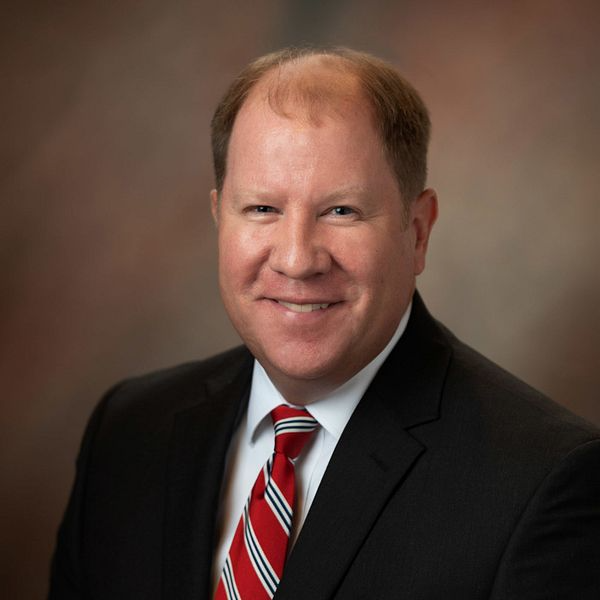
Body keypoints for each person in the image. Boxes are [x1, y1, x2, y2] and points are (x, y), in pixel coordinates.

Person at [49, 47, 600, 599]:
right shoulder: (127, 433)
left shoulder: (543, 482)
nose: (296, 258)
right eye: (262, 209)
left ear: (418, 230)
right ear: (220, 218)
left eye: (341, 211)